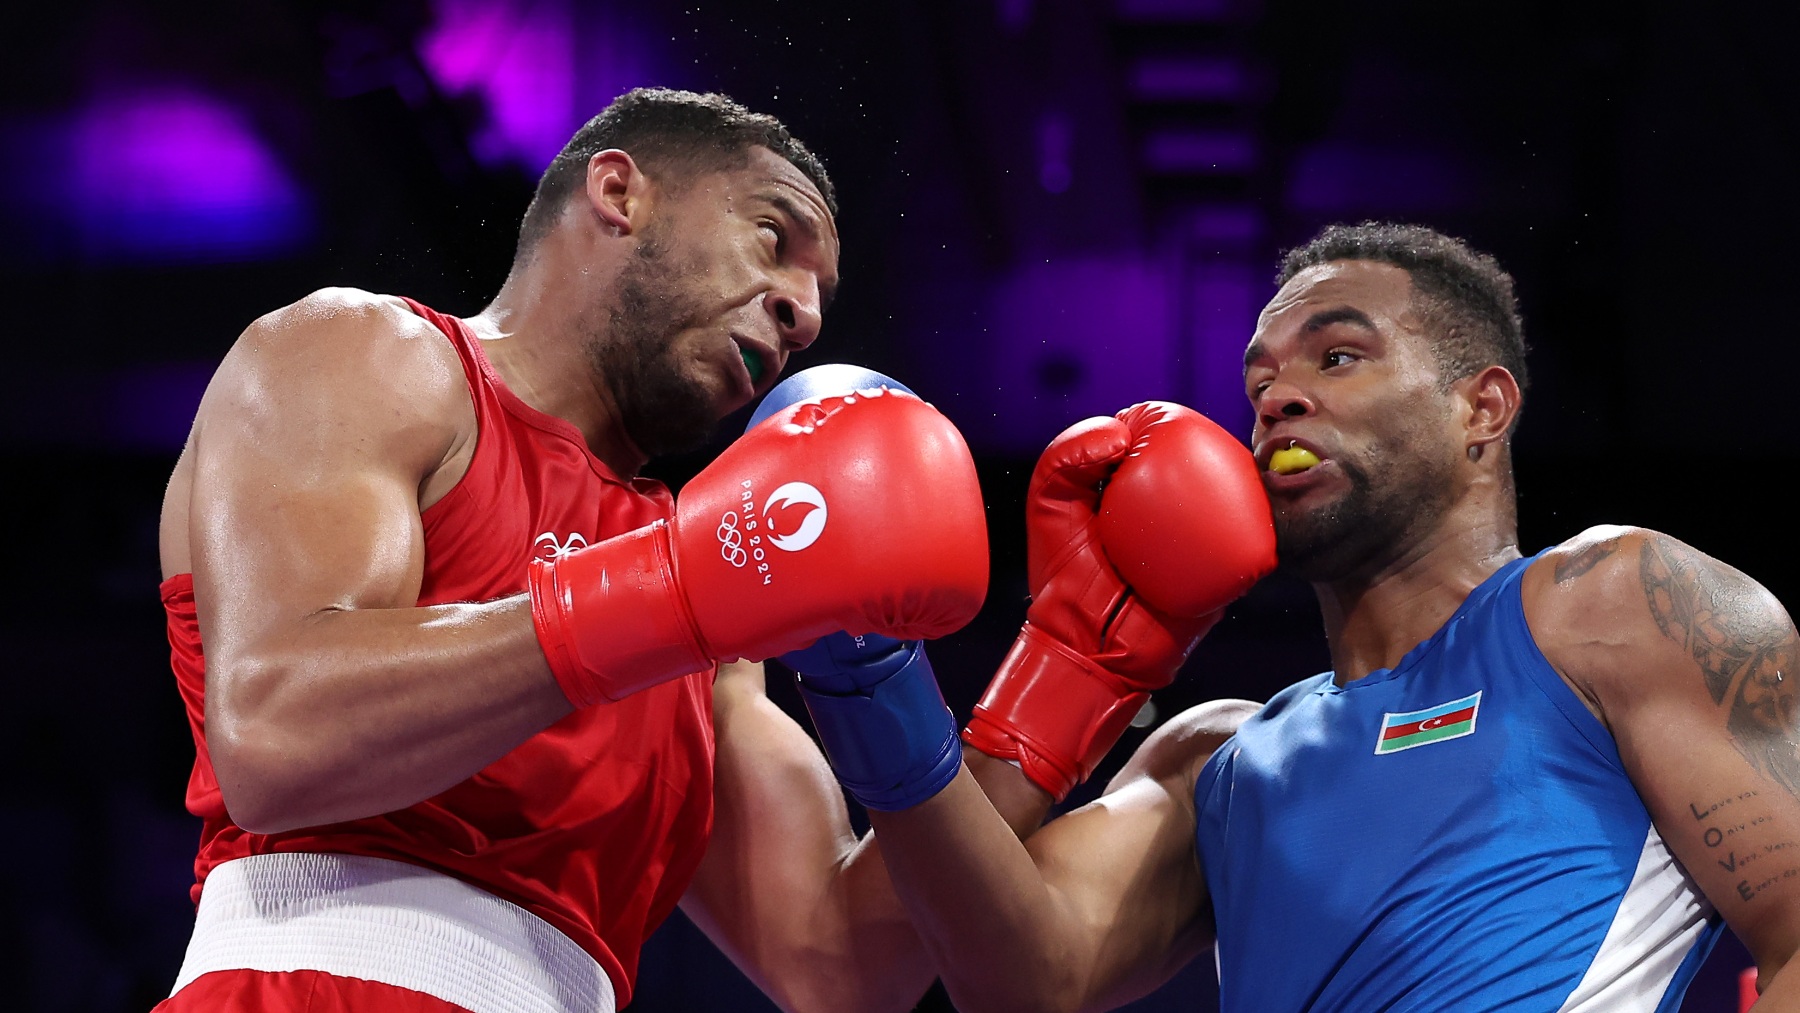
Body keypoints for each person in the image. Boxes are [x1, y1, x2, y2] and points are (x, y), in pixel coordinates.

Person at [152, 86, 1012, 1013]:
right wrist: (669, 594)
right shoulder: (365, 357)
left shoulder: (702, 598)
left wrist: (1073, 663)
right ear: (618, 192)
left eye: (820, 299)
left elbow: (837, 964)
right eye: (774, 238)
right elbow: (279, 738)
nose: (802, 312)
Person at [823, 222, 1800, 1012]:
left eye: (1338, 357)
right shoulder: (1222, 760)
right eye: (1260, 385)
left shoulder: (1615, 603)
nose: (1279, 397)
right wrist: (885, 678)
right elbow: (1016, 976)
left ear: (1483, 408)